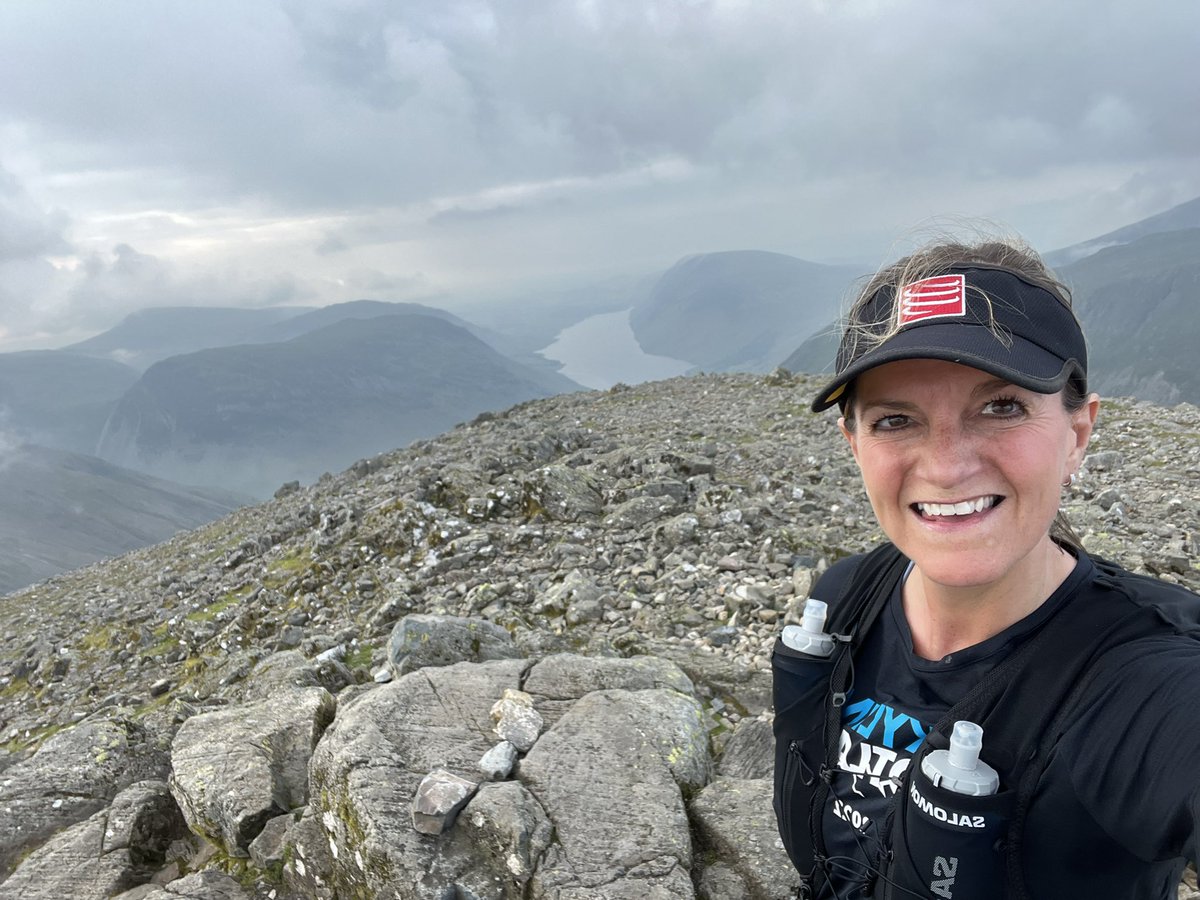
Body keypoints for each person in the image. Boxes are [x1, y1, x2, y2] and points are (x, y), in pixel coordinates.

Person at [772, 236, 1200, 899]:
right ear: (853, 443)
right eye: (895, 420)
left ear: (1077, 435)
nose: (946, 466)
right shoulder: (849, 594)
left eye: (1001, 407)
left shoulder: (1143, 683)